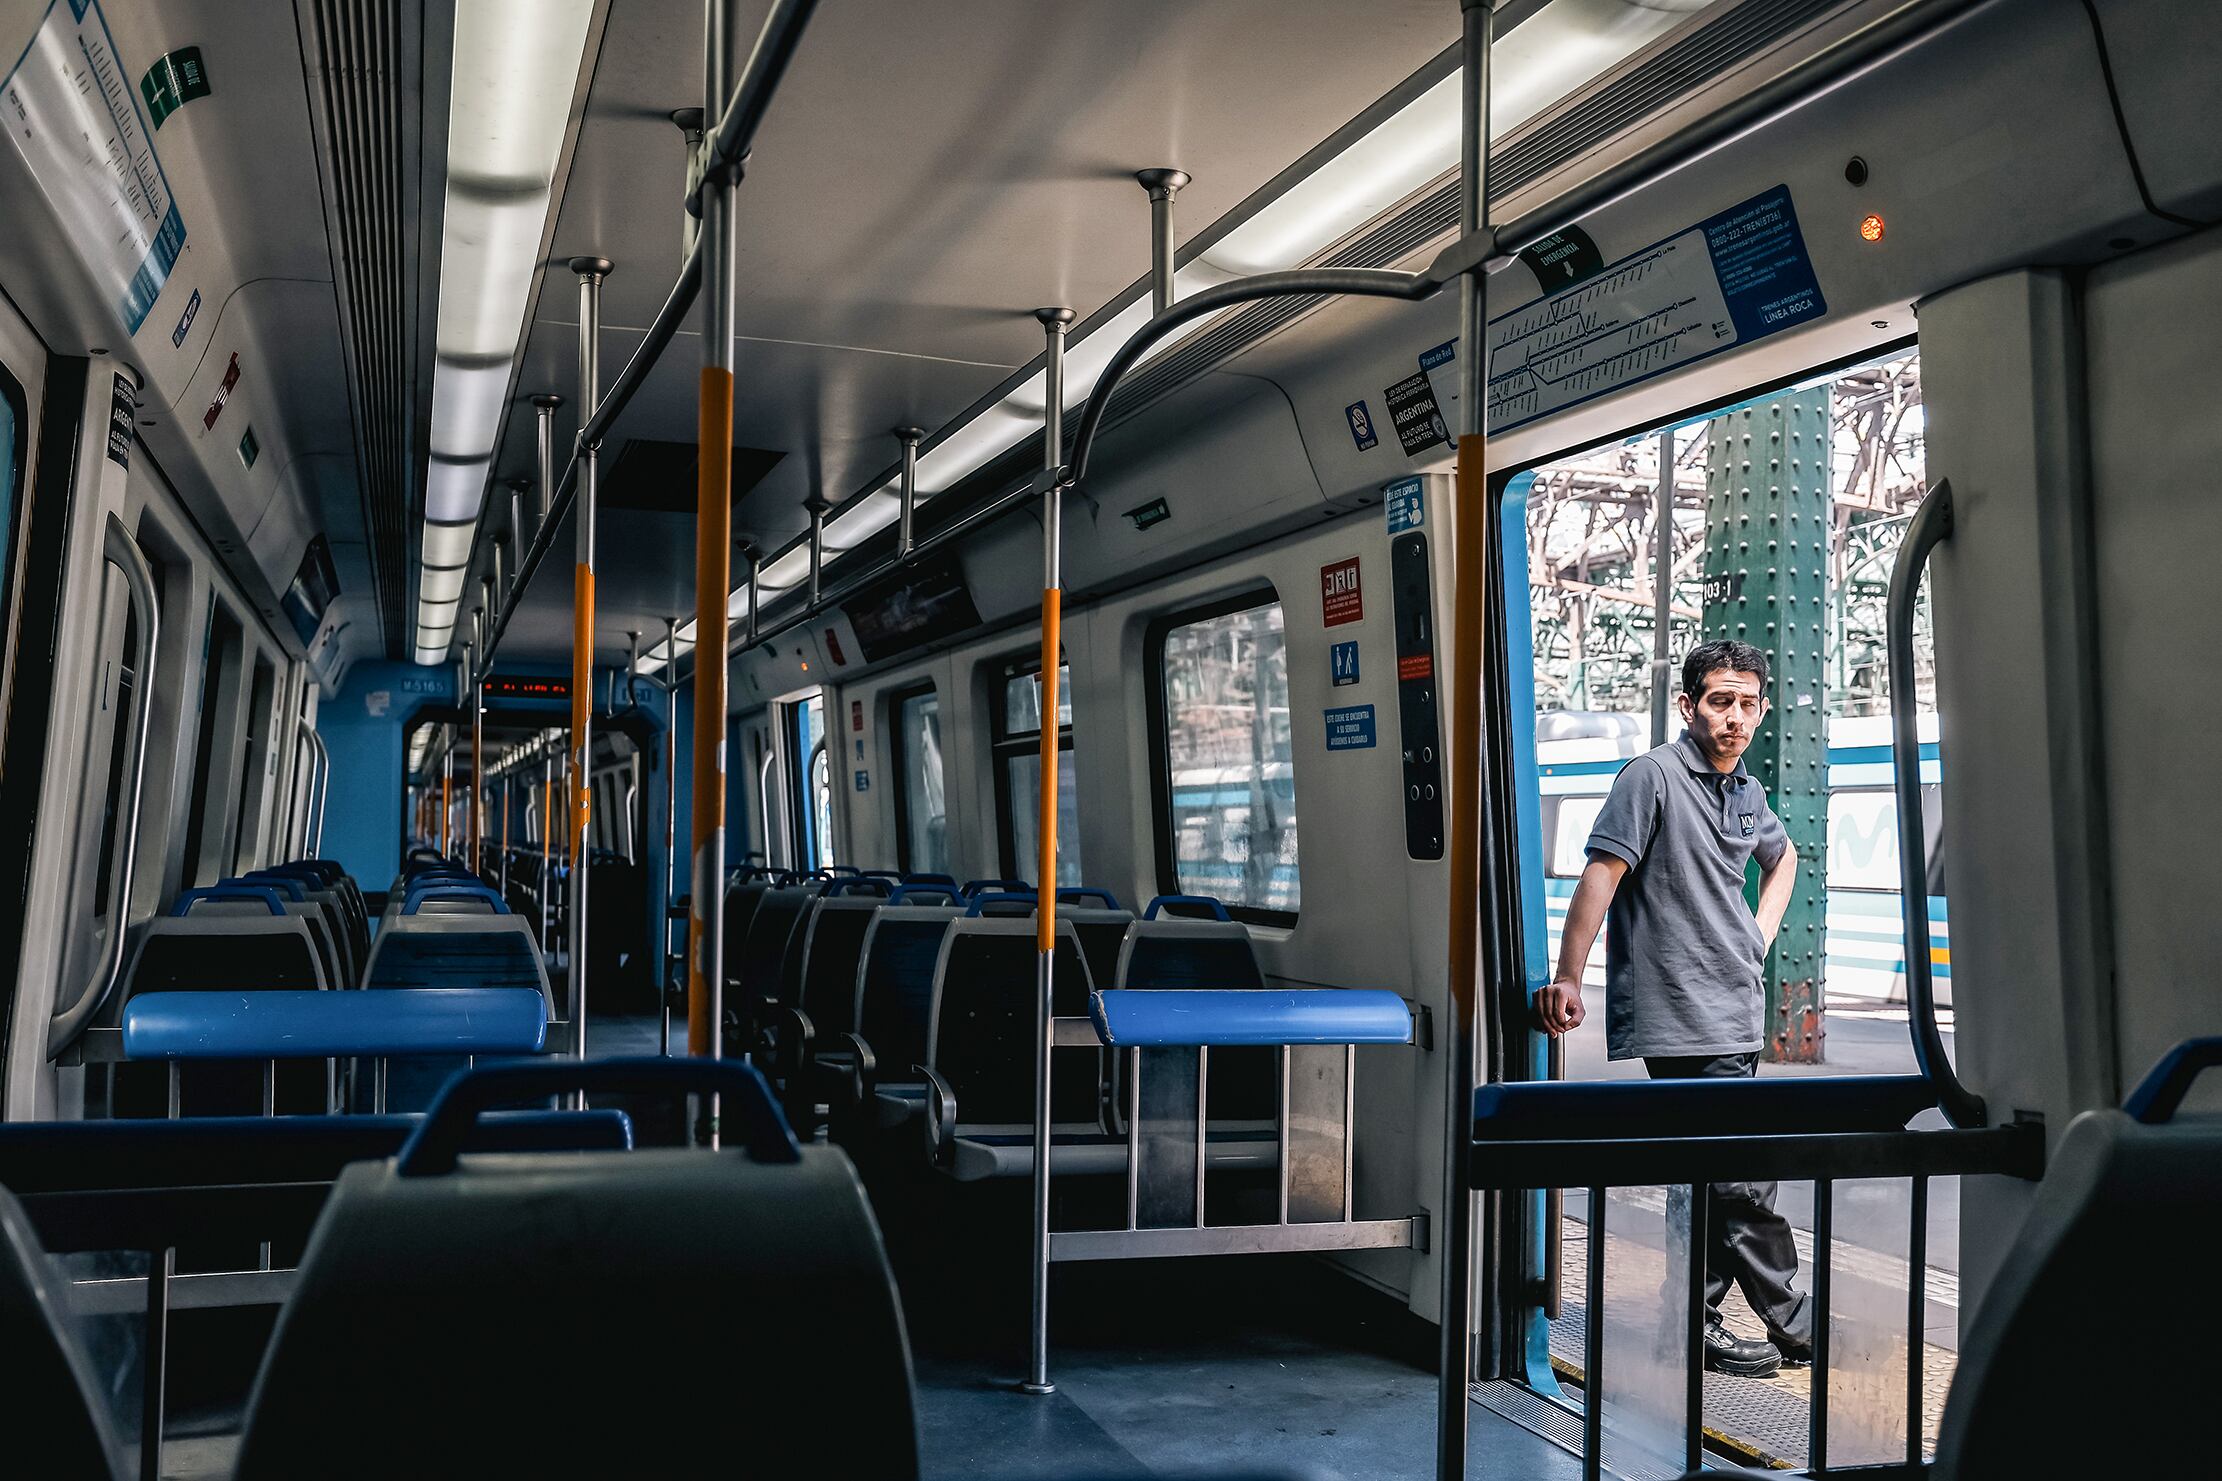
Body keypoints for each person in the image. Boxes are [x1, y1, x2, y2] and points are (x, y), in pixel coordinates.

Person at [1534, 639, 1810, 1378]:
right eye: (1721, 700)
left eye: (1749, 703)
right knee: (1741, 1171)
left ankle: (1691, 1325)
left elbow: (1783, 860)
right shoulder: (1651, 777)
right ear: (1690, 705)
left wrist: (1756, 936)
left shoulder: (1748, 791)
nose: (1736, 717)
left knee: (1711, 1172)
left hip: (1734, 1003)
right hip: (1681, 1009)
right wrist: (1569, 975)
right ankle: (1795, 1322)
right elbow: (1602, 874)